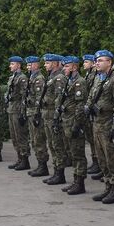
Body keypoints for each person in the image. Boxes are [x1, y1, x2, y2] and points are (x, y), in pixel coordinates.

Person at [88, 50, 114, 204]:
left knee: (112, 158)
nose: (97, 63)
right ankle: (108, 186)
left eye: (101, 60)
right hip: (97, 124)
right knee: (102, 158)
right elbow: (91, 96)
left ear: (109, 62)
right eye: (96, 60)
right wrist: (89, 106)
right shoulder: (98, 78)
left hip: (109, 124)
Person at [57, 56, 89, 195]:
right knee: (72, 153)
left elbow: (80, 105)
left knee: (78, 154)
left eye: (67, 66)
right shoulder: (69, 81)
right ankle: (75, 181)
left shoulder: (79, 82)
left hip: (74, 122)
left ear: (74, 67)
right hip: (67, 121)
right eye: (64, 66)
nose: (64, 68)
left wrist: (77, 124)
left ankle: (80, 183)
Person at [42, 54, 69, 186]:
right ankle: (56, 172)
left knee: (57, 145)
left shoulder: (59, 78)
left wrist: (57, 117)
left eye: (48, 63)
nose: (45, 65)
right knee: (52, 145)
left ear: (55, 64)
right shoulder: (51, 77)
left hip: (54, 115)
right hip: (47, 115)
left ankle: (60, 173)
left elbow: (60, 98)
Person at [25, 56, 50, 177]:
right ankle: (40, 165)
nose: (28, 67)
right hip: (31, 112)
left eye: (30, 65)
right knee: (34, 140)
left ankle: (43, 166)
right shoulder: (32, 77)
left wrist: (37, 113)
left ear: (36, 65)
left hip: (36, 113)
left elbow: (39, 98)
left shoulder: (39, 78)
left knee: (39, 139)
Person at [5, 56, 30, 171]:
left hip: (18, 109)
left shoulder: (22, 78)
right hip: (11, 108)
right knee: (14, 136)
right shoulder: (12, 77)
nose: (10, 66)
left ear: (19, 65)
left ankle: (25, 160)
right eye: (10, 64)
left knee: (21, 136)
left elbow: (24, 96)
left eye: (12, 64)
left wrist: (22, 112)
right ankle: (19, 158)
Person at [82, 54, 101, 176]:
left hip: (96, 112)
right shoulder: (89, 74)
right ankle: (96, 162)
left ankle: (98, 163)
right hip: (89, 110)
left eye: (86, 62)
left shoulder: (96, 76)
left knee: (95, 140)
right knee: (91, 138)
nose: (84, 63)